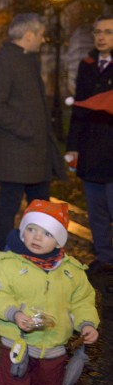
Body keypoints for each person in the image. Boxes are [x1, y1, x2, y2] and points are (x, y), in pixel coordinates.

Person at [0, 200, 99, 385]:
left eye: (47, 233)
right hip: (17, 344)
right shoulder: (8, 264)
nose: (37, 237)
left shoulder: (72, 271)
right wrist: (14, 313)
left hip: (53, 347)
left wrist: (86, 323)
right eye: (31, 229)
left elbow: (82, 301)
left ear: (59, 240)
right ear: (22, 232)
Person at [0, 13, 67, 252]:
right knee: (9, 206)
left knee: (40, 208)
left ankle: (39, 254)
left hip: (36, 152)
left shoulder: (28, 59)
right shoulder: (3, 62)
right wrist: (27, 129)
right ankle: (5, 255)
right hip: (16, 150)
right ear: (29, 34)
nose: (43, 40)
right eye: (40, 35)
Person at [66, 14, 113, 275]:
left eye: (107, 32)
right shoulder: (86, 65)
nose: (101, 37)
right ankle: (104, 256)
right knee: (95, 208)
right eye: (97, 32)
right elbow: (79, 109)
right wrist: (73, 145)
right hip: (91, 148)